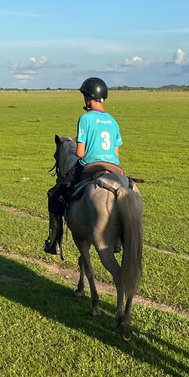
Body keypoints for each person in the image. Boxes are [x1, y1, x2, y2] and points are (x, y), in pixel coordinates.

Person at [45, 77, 124, 255]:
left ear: (88, 97)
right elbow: (117, 154)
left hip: (90, 165)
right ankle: (119, 239)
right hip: (114, 167)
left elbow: (80, 153)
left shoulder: (85, 118)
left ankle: (53, 243)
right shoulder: (113, 121)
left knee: (54, 194)